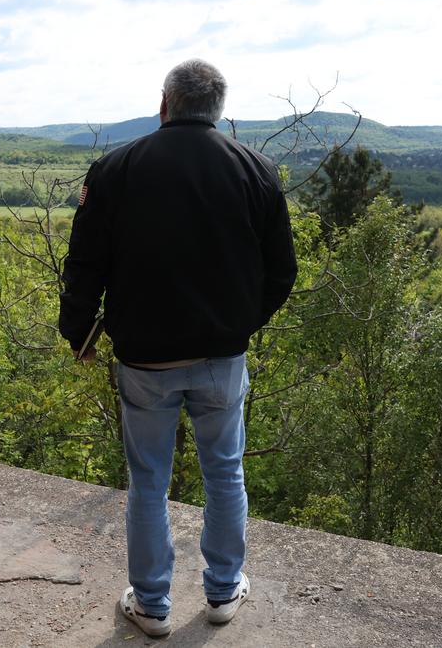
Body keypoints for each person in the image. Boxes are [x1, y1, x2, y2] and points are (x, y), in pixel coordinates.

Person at [58, 59, 297, 637]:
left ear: (164, 104)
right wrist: (239, 324)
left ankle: (152, 605)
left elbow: (86, 262)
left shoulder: (115, 169)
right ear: (218, 110)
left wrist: (80, 332)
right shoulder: (257, 170)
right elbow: (282, 272)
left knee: (148, 482)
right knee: (225, 473)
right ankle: (221, 592)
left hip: (144, 359)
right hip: (222, 357)